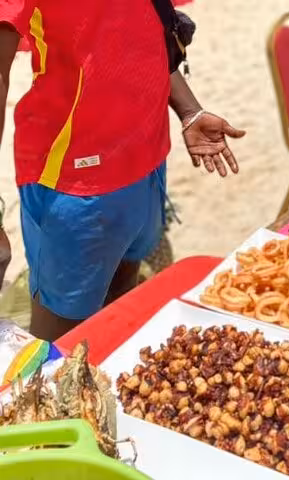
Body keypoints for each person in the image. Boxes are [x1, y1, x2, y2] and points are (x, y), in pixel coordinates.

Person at [0, 0, 245, 341]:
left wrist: (188, 109)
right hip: (75, 185)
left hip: (148, 163)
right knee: (61, 347)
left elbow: (140, 28)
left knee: (121, 313)